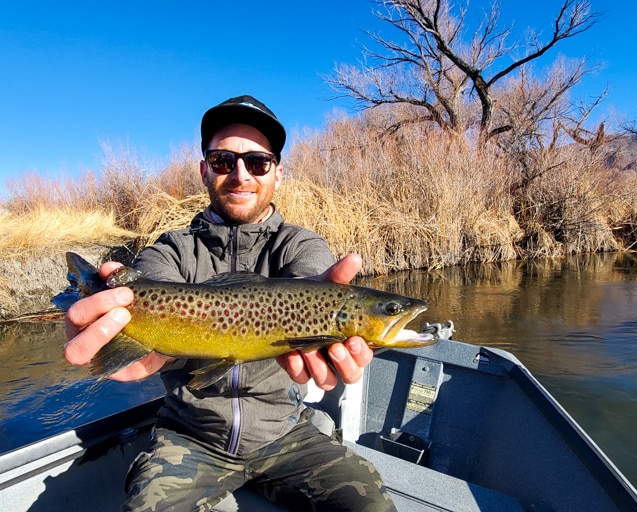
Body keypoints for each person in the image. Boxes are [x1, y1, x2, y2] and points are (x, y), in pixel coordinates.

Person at [62, 95, 396, 511]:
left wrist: (331, 315)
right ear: (205, 170)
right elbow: (149, 293)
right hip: (189, 437)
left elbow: (311, 283)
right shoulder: (169, 252)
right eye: (223, 161)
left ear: (277, 173)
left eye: (257, 162)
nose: (241, 175)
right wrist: (115, 332)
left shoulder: (302, 246)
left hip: (286, 436)